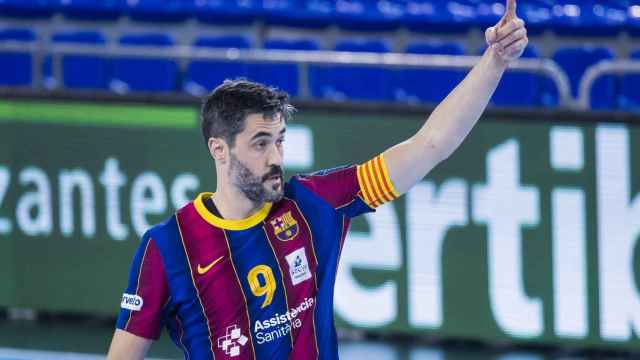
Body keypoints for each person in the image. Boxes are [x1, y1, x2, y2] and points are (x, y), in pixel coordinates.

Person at [106, 1, 527, 358]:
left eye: (280, 141)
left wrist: (495, 62)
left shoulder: (312, 204)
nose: (275, 157)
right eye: (260, 143)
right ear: (219, 149)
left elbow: (430, 145)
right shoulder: (167, 246)